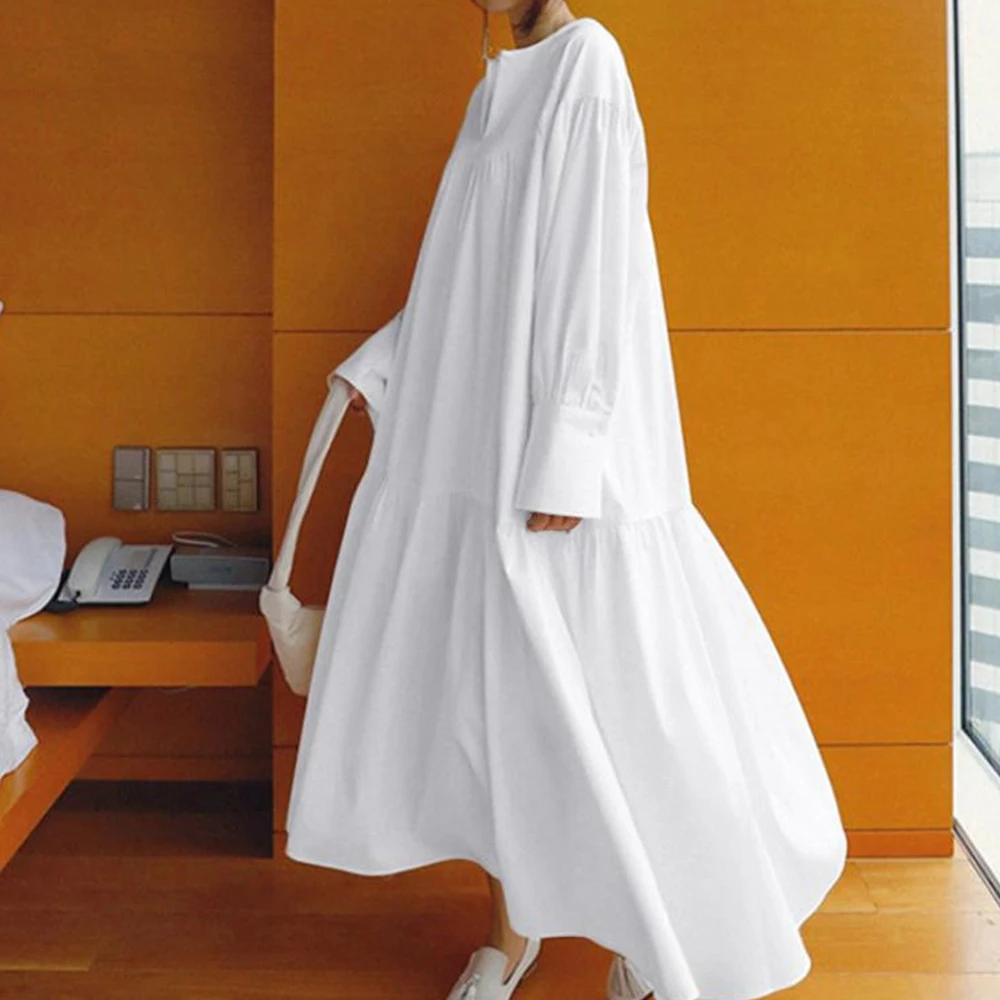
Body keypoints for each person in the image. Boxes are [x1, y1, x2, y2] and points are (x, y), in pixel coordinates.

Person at [284, 3, 849, 999]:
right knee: (499, 709)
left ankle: (659, 936)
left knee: (621, 711)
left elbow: (596, 267)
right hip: (477, 453)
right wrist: (382, 364)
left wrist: (570, 451)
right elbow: (462, 279)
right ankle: (512, 936)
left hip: (556, 472)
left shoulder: (589, 63)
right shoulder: (495, 89)